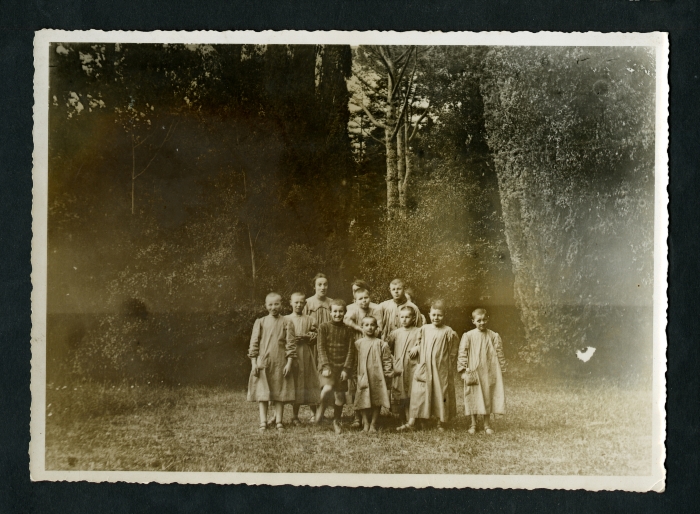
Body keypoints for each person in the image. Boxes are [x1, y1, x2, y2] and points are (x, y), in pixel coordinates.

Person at [403, 300, 459, 431]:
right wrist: (417, 347)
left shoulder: (448, 331)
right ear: (429, 314)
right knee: (419, 392)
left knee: (441, 392)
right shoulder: (424, 329)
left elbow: (453, 349)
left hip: (441, 367)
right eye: (433, 315)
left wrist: (448, 363)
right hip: (425, 366)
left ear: (444, 315)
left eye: (439, 315)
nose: (436, 318)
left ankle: (441, 421)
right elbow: (419, 342)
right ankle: (412, 422)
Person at [247, 292, 297, 431]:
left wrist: (289, 363)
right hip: (263, 362)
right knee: (262, 393)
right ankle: (263, 421)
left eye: (276, 304)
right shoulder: (260, 322)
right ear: (265, 305)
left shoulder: (287, 322)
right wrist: (254, 363)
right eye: (270, 304)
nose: (273, 307)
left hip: (280, 362)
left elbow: (291, 345)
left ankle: (279, 421)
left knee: (279, 392)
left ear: (281, 304)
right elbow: (254, 344)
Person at [457, 308, 506, 435]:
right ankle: (473, 424)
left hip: (489, 371)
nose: (482, 323)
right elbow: (462, 353)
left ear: (487, 319)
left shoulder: (493, 335)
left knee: (487, 395)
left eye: (484, 320)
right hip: (473, 371)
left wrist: (502, 368)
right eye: (479, 320)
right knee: (472, 395)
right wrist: (462, 370)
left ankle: (487, 424)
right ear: (473, 321)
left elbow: (499, 353)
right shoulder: (468, 336)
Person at [344, 285, 383, 428]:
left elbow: (379, 327)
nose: (364, 301)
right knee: (357, 382)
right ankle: (357, 417)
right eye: (360, 299)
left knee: (371, 380)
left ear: (370, 298)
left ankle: (371, 416)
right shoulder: (353, 309)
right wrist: (359, 328)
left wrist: (371, 333)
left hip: (371, 346)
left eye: (366, 298)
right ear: (355, 300)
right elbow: (346, 320)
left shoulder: (376, 309)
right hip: (357, 348)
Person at [314, 299, 355, 435]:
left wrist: (346, 369)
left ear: (344, 313)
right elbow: (321, 347)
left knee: (340, 396)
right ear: (330, 313)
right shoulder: (324, 327)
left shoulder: (348, 330)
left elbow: (350, 351)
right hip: (328, 365)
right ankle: (320, 409)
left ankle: (336, 420)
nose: (338, 314)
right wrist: (325, 366)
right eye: (335, 311)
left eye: (340, 311)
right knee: (327, 388)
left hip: (341, 367)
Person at [351, 316, 394, 433]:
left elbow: (387, 361)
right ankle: (365, 423)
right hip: (362, 376)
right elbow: (354, 361)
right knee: (363, 398)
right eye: (366, 325)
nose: (369, 327)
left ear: (376, 327)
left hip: (377, 376)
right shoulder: (358, 344)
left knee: (377, 399)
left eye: (372, 325)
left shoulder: (382, 344)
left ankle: (373, 424)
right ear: (362, 327)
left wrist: (387, 374)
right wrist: (354, 375)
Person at [285, 292, 321, 425]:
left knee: (309, 381)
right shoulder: (286, 319)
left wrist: (308, 336)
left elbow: (317, 336)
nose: (299, 305)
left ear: (305, 303)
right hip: (291, 355)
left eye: (301, 302)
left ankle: (314, 414)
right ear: (290, 303)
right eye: (296, 302)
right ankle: (294, 416)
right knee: (295, 383)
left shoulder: (310, 319)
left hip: (306, 354)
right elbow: (281, 338)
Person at [387, 305, 421, 428]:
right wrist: (394, 360)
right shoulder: (395, 333)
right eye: (402, 317)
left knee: (413, 390)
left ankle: (413, 419)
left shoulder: (418, 331)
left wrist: (418, 347)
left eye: (407, 317)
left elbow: (424, 344)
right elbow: (388, 349)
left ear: (413, 318)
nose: (404, 319)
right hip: (400, 366)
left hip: (413, 366)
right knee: (401, 391)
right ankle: (404, 418)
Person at [303, 273, 333, 362]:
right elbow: (302, 323)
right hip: (313, 343)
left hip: (329, 342)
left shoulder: (332, 302)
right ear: (314, 287)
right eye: (319, 285)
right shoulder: (307, 303)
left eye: (325, 284)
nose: (323, 287)